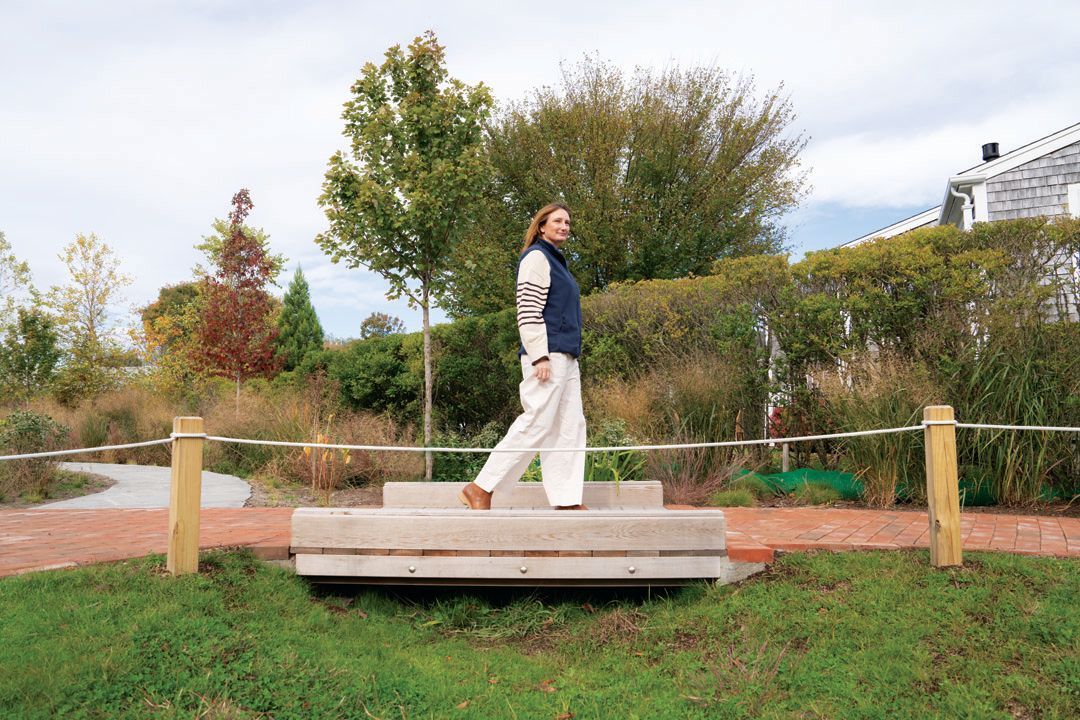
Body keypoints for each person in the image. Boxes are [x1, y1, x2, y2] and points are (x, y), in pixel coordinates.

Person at [458, 203, 588, 510]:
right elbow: (528, 310)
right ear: (541, 226)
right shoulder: (537, 258)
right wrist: (538, 356)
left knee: (570, 426)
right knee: (536, 422)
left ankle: (566, 499)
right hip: (547, 355)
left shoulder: (559, 262)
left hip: (567, 356)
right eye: (558, 220)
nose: (565, 225)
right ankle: (481, 487)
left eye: (568, 221)